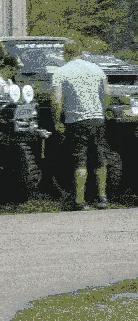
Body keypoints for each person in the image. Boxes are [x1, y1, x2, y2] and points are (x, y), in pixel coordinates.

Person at [50, 40, 112, 209]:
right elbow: (107, 93)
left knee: (80, 160)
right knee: (100, 158)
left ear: (66, 53)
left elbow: (56, 100)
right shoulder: (97, 69)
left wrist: (57, 120)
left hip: (75, 120)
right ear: (80, 52)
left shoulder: (61, 72)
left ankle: (79, 200)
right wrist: (102, 110)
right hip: (97, 118)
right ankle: (102, 197)